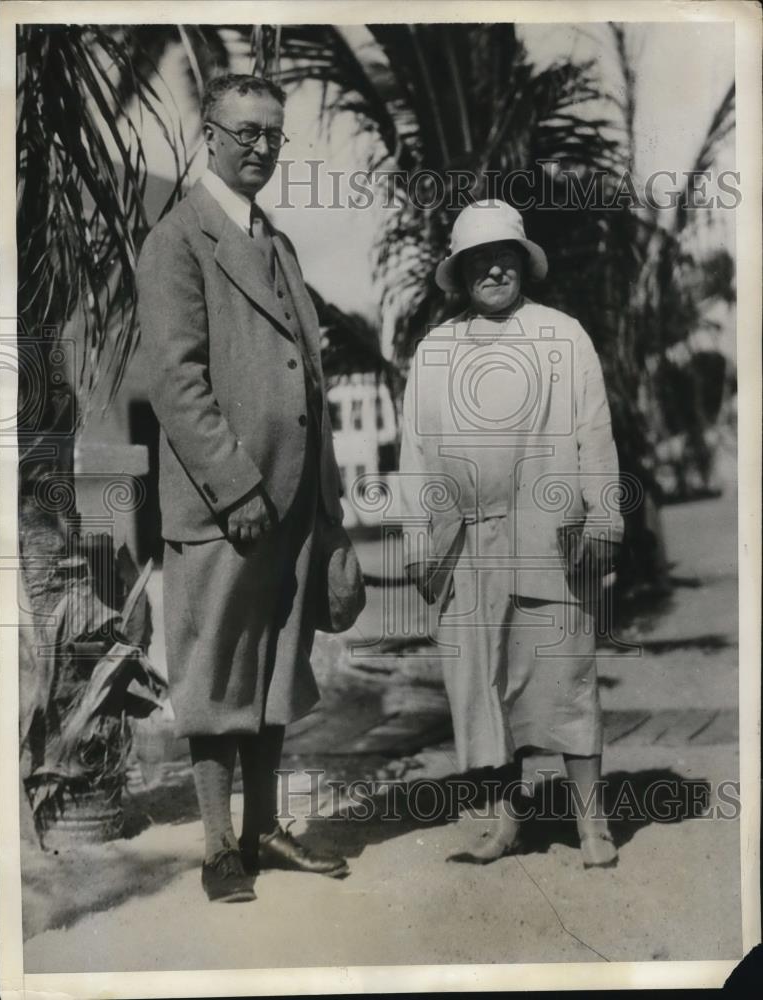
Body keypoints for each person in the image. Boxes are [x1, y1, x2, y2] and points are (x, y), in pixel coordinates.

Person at [136, 74, 349, 902]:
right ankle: (219, 848)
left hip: (292, 504)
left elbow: (308, 380)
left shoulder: (279, 243)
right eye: (246, 131)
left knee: (271, 676)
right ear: (210, 137)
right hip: (225, 508)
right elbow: (176, 382)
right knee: (215, 676)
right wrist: (234, 485)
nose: (261, 146)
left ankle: (262, 832)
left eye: (274, 133)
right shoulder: (180, 239)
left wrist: (322, 510)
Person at [399, 200, 624, 869]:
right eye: (477, 259)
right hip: (464, 547)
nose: (492, 268)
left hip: (550, 536)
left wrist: (605, 519)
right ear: (460, 271)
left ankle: (591, 823)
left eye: (504, 256)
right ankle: (503, 822)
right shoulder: (434, 351)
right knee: (481, 688)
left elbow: (594, 435)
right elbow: (414, 454)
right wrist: (418, 540)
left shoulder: (562, 336)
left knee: (564, 677)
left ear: (523, 263)